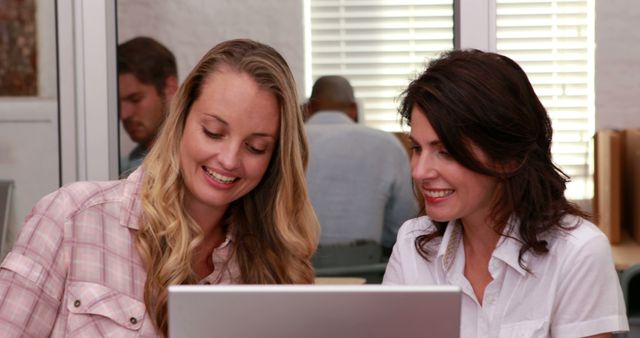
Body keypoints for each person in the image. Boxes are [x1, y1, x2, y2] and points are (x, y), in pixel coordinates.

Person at [0, 39, 320, 337]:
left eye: (256, 147)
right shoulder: (71, 218)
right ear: (180, 119)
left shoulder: (272, 262)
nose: (229, 159)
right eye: (213, 132)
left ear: (275, 159)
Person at [383, 49, 628, 337]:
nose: (420, 171)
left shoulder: (577, 251)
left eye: (445, 152)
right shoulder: (413, 243)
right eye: (417, 149)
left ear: (507, 157)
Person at [305, 75, 418, 255]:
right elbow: (402, 225)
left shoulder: (287, 142)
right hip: (369, 272)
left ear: (309, 108)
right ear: (353, 109)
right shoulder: (388, 145)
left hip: (292, 274)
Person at [118, 36, 178, 174]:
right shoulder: (123, 168)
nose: (124, 114)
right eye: (117, 104)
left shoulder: (194, 164)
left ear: (170, 87)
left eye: (135, 99)